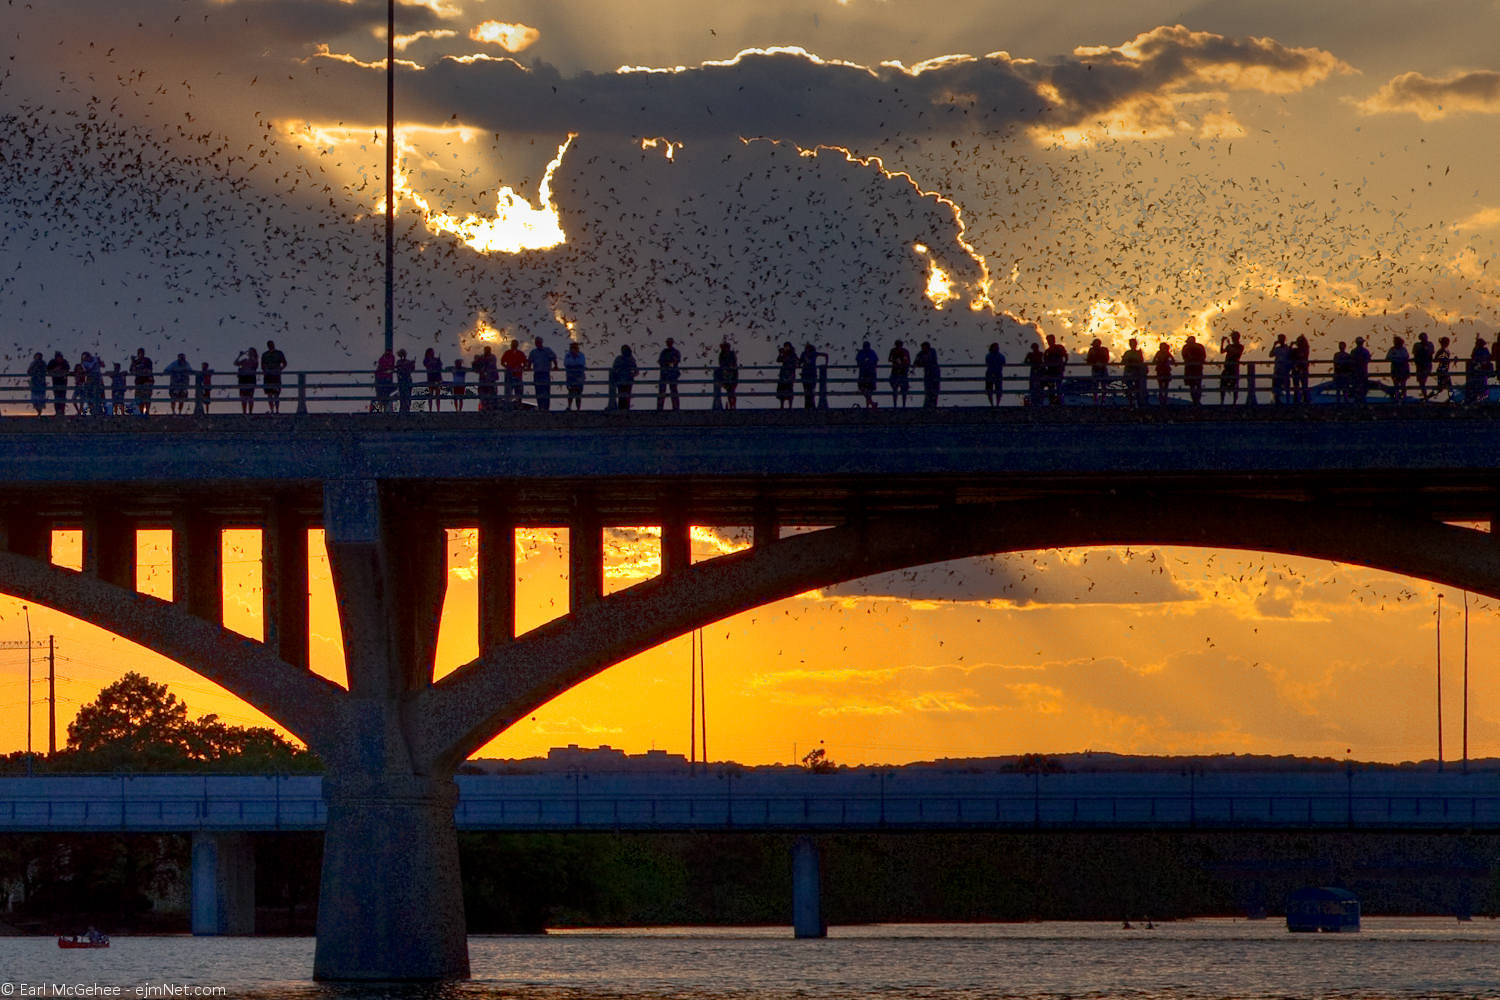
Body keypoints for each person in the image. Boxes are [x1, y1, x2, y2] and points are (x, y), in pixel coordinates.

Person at [529, 337, 558, 411]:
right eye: (536, 342)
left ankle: (546, 408)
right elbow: (530, 361)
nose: (537, 343)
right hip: (537, 373)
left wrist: (556, 366)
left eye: (538, 342)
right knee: (538, 390)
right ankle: (540, 407)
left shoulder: (547, 350)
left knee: (546, 390)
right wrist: (528, 367)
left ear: (541, 342)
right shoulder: (533, 352)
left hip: (545, 373)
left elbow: (554, 357)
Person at [260, 340, 287, 413]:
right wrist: (266, 370)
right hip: (268, 376)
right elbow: (262, 365)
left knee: (276, 394)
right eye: (269, 345)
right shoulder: (265, 354)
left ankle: (277, 410)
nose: (270, 346)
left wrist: (279, 369)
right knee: (269, 394)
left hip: (276, 375)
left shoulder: (279, 353)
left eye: (271, 344)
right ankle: (271, 410)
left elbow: (284, 363)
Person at [1219, 331, 1244, 405]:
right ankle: (1222, 401)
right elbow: (1221, 351)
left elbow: (1237, 353)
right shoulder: (1229, 346)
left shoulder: (1240, 346)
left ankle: (1234, 402)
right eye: (1232, 337)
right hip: (1227, 368)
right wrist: (1222, 342)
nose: (1233, 338)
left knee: (1235, 385)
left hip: (1234, 368)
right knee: (1222, 384)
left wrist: (1229, 346)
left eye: (1234, 337)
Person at [656, 337, 682, 410]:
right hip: (664, 373)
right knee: (662, 391)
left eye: (669, 342)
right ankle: (660, 408)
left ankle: (676, 407)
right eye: (667, 342)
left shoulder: (675, 352)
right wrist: (666, 364)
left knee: (673, 390)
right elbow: (660, 361)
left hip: (672, 374)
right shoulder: (664, 352)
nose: (668, 343)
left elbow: (676, 362)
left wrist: (668, 364)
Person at [1121, 338, 1147, 407]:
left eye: (1134, 344)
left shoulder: (1138, 353)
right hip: (1128, 373)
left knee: (1137, 388)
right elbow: (1122, 362)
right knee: (1129, 388)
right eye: (1131, 344)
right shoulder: (1127, 353)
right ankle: (1131, 402)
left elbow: (1141, 362)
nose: (1133, 345)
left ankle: (1137, 403)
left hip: (1137, 373)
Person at [1042, 334, 1068, 404]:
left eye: (1050, 340)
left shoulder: (1059, 347)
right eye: (1048, 340)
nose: (1049, 342)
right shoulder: (1047, 351)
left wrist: (1064, 364)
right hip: (1051, 371)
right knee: (1051, 387)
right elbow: (1045, 362)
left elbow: (1065, 356)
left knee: (1059, 386)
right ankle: (1052, 400)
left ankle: (1059, 400)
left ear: (1054, 340)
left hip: (1058, 370)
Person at [500, 339, 527, 406]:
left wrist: (520, 368)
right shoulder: (508, 353)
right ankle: (508, 405)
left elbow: (525, 363)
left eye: (515, 344)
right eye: (513, 344)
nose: (514, 346)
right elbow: (502, 362)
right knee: (509, 391)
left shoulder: (520, 353)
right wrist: (508, 368)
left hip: (517, 375)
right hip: (510, 375)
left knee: (518, 392)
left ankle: (518, 405)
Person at [1181, 335, 1206, 405]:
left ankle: (1196, 400)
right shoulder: (1187, 347)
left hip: (1195, 368)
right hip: (1191, 368)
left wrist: (1193, 358)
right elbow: (1184, 356)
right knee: (1193, 385)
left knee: (1197, 384)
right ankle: (1195, 400)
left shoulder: (1198, 347)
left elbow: (1203, 356)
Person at [610, 345, 638, 410]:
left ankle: (623, 410)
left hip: (623, 380)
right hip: (624, 380)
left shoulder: (620, 359)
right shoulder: (630, 359)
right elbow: (636, 371)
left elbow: (614, 369)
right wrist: (632, 375)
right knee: (625, 396)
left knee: (623, 396)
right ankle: (624, 410)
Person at [1466, 336, 1491, 405]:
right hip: (1483, 370)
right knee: (1483, 384)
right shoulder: (1485, 350)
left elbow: (1473, 357)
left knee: (1477, 385)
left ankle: (1476, 399)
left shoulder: (1476, 350)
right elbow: (1488, 357)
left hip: (1477, 370)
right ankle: (1482, 399)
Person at [914, 341, 939, 408]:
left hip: (934, 373)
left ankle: (933, 404)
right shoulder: (921, 353)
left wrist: (921, 361)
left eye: (923, 347)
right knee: (928, 389)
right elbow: (916, 362)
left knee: (934, 389)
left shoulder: (932, 351)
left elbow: (930, 360)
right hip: (928, 373)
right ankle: (927, 404)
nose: (922, 349)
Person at [714, 342, 739, 409]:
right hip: (727, 376)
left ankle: (732, 405)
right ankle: (732, 405)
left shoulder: (730, 354)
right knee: (730, 391)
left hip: (731, 376)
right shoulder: (722, 354)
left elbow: (732, 365)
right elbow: (722, 365)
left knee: (731, 391)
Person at [130, 348, 155, 416]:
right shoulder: (136, 362)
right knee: (139, 399)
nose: (140, 354)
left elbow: (148, 370)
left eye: (141, 353)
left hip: (147, 381)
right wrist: (133, 362)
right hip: (139, 382)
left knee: (147, 397)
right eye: (139, 353)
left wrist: (141, 371)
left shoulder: (147, 360)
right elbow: (132, 371)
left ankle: (147, 411)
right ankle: (141, 412)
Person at [1386, 336, 1411, 404]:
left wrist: (1396, 359)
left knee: (1403, 384)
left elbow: (1406, 357)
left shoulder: (1403, 349)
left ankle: (1404, 397)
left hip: (1403, 368)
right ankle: (1397, 397)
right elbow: (1388, 357)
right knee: (1396, 383)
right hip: (1395, 368)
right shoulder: (1392, 349)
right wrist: (1397, 359)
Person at [233, 346, 257, 414]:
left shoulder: (255, 360)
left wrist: (252, 356)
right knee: (243, 396)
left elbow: (255, 364)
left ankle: (250, 412)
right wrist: (240, 355)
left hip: (250, 379)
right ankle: (244, 412)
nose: (249, 353)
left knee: (250, 396)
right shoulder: (244, 360)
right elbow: (235, 363)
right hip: (243, 379)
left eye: (251, 352)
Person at [855, 341, 879, 408]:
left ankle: (868, 405)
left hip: (870, 374)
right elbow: (858, 361)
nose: (866, 347)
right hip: (863, 374)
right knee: (863, 389)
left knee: (869, 390)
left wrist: (870, 365)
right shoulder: (861, 352)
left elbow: (876, 361)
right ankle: (871, 403)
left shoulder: (872, 352)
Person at [1085, 338, 1110, 404]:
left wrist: (1100, 363)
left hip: (1102, 370)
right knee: (1095, 386)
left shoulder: (1104, 350)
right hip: (1096, 370)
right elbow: (1089, 360)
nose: (1094, 346)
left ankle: (1102, 400)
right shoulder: (1092, 350)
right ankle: (1096, 400)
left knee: (1103, 386)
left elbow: (1107, 359)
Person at [799, 343, 823, 409]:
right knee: (809, 390)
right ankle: (810, 406)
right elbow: (799, 363)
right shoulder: (809, 354)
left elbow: (803, 362)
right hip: (808, 374)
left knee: (809, 390)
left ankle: (809, 406)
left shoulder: (811, 354)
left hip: (809, 374)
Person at [564, 342, 587, 410]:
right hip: (570, 377)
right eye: (572, 347)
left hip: (579, 377)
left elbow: (581, 363)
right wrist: (575, 364)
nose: (573, 349)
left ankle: (578, 408)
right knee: (570, 392)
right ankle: (569, 406)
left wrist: (573, 363)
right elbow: (566, 363)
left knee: (578, 392)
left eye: (574, 347)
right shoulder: (567, 355)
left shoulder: (581, 355)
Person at [1268, 335, 1291, 405]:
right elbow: (1270, 355)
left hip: (1285, 369)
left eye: (1281, 339)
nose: (1280, 341)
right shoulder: (1277, 349)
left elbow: (1290, 356)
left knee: (1286, 386)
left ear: (1284, 339)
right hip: (1277, 370)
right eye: (1279, 339)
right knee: (1276, 386)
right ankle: (1277, 400)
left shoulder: (1287, 348)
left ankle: (1287, 401)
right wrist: (1274, 345)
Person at [887, 339, 910, 407]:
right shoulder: (894, 350)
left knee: (902, 390)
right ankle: (896, 405)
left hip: (902, 372)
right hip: (896, 372)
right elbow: (889, 359)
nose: (898, 346)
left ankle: (903, 405)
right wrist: (895, 360)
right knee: (896, 389)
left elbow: (908, 361)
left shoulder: (905, 351)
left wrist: (903, 363)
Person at [475, 346, 499, 412]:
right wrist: (477, 360)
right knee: (483, 395)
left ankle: (491, 408)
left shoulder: (492, 357)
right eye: (486, 350)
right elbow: (477, 368)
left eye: (488, 350)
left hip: (491, 380)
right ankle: (484, 408)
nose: (487, 351)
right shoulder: (482, 357)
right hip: (483, 380)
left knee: (492, 395)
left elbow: (490, 363)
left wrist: (479, 359)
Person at [1349, 337, 1372, 404]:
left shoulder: (1353, 351)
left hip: (1356, 372)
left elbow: (1351, 361)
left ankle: (1357, 399)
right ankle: (1362, 399)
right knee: (1363, 386)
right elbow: (1368, 359)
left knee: (1356, 385)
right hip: (1363, 371)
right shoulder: (1365, 351)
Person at [1412, 332, 1435, 401]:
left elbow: (1430, 353)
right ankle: (1425, 396)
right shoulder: (1417, 345)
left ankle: (1426, 396)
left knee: (1422, 381)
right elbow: (1415, 354)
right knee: (1421, 382)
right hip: (1420, 365)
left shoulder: (1430, 344)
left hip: (1426, 365)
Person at [46, 351, 69, 416]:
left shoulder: (64, 362)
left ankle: (62, 411)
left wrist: (60, 371)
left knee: (63, 396)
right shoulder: (52, 362)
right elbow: (48, 371)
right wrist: (55, 370)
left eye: (60, 356)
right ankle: (57, 411)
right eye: (58, 356)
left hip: (63, 382)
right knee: (56, 396)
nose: (59, 358)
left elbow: (67, 370)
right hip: (55, 382)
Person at [1151, 342, 1174, 406]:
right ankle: (1162, 401)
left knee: (1164, 386)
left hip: (1165, 371)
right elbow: (1154, 360)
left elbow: (1173, 359)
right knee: (1161, 386)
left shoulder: (1166, 353)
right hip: (1161, 371)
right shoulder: (1160, 353)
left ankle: (1164, 401)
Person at [1024, 340, 1046, 406]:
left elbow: (1026, 362)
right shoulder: (1033, 354)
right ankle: (1035, 401)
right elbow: (1026, 362)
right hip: (1035, 371)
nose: (1034, 349)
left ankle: (1038, 401)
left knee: (1039, 386)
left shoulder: (1039, 354)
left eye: (1034, 347)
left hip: (1038, 371)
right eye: (1034, 348)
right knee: (1034, 386)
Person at [775, 342, 796, 408]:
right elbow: (778, 360)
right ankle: (782, 405)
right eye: (785, 346)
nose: (786, 348)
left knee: (789, 389)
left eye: (787, 346)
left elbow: (796, 361)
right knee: (782, 389)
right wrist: (780, 353)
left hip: (790, 373)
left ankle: (790, 406)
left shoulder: (793, 354)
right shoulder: (784, 354)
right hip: (783, 373)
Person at [1291, 334, 1311, 403]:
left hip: (1303, 369)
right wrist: (1291, 346)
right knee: (1297, 386)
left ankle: (1304, 399)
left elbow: (1302, 356)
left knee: (1304, 385)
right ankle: (1298, 400)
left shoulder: (1305, 350)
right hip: (1297, 369)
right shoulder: (1296, 350)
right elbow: (1289, 354)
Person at [395, 348, 416, 414]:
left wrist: (412, 364)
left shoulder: (407, 362)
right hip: (402, 380)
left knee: (407, 395)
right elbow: (399, 368)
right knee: (403, 395)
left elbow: (412, 369)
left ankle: (407, 408)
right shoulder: (399, 362)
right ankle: (403, 408)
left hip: (407, 380)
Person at [1434, 336, 1454, 401]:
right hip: (1442, 369)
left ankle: (1450, 399)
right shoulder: (1442, 350)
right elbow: (1436, 359)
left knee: (1442, 387)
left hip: (1444, 369)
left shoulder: (1444, 349)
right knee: (1448, 386)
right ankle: (1450, 399)